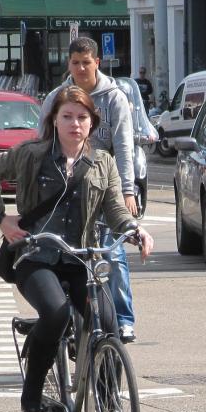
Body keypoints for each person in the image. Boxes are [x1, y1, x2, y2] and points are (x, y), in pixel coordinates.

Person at [0, 85, 154, 412]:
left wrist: (134, 229)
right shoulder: (32, 154)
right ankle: (32, 392)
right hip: (35, 256)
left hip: (80, 259)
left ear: (92, 123)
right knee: (56, 313)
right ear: (54, 120)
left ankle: (109, 411)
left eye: (82, 117)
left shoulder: (103, 163)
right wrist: (1, 218)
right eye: (67, 116)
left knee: (109, 323)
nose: (75, 123)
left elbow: (116, 210)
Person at [38, 36, 138, 342]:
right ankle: (68, 317)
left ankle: (122, 318)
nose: (81, 68)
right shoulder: (57, 97)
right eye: (75, 63)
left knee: (112, 255)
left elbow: (124, 146)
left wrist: (127, 191)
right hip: (66, 187)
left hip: (104, 185)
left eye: (86, 62)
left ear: (97, 62)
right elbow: (42, 142)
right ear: (68, 64)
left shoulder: (114, 98)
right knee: (67, 254)